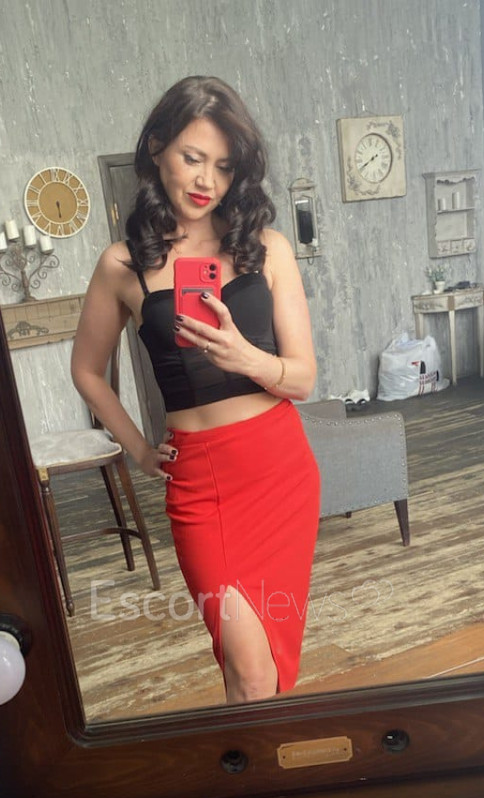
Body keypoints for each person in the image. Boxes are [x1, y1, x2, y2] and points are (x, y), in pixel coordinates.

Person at [71, 76, 320, 704]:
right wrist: (138, 449)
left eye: (224, 166)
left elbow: (303, 378)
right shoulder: (122, 265)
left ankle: (260, 763)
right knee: (248, 668)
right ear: (157, 148)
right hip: (200, 483)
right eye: (192, 157)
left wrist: (246, 357)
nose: (208, 179)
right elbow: (87, 371)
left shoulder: (268, 249)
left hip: (279, 468)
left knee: (263, 670)